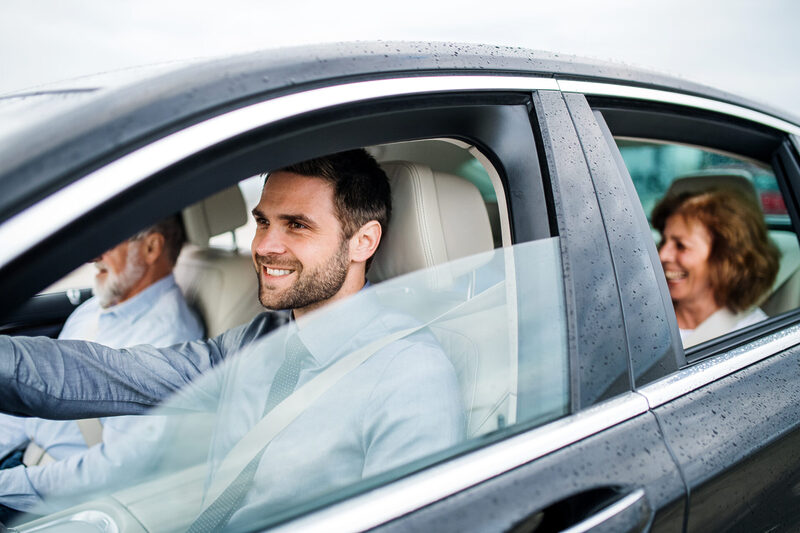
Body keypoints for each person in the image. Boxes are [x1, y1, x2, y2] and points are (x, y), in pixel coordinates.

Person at [0, 150, 464, 527]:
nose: (263, 246)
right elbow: (112, 374)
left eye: (296, 225)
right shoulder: (260, 339)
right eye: (263, 221)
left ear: (363, 241)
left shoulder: (409, 376)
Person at [0, 215, 204, 520]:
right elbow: (31, 401)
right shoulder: (94, 309)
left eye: (109, 239)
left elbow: (115, 468)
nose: (93, 256)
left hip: (56, 500)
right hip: (23, 463)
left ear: (151, 248)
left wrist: (9, 486)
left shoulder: (167, 339)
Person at [653, 188, 780, 347]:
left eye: (680, 245)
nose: (662, 255)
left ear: (724, 258)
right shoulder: (645, 320)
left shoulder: (755, 335)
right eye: (664, 242)